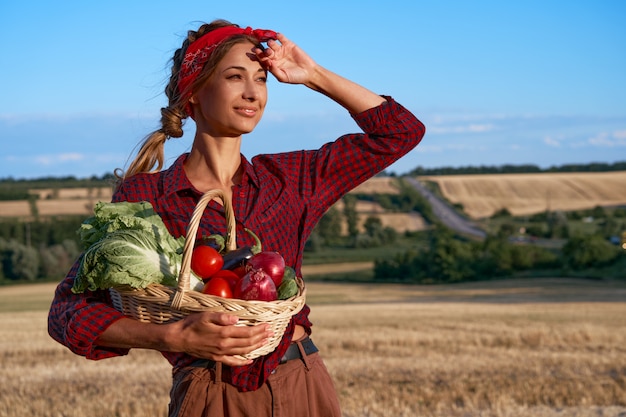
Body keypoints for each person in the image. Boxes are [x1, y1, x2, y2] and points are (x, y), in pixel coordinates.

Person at [48, 19, 425, 417]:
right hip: (212, 391)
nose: (252, 93)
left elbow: (400, 132)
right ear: (193, 91)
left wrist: (312, 74)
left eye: (261, 79)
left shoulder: (290, 180)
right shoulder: (147, 197)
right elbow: (68, 312)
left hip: (303, 383)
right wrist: (171, 336)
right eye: (234, 76)